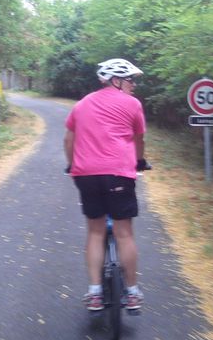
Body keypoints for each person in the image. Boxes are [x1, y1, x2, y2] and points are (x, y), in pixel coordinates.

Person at [64, 58, 150, 312]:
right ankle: (132, 293)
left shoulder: (81, 105)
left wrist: (72, 166)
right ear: (116, 80)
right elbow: (138, 139)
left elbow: (69, 140)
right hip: (119, 174)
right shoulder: (132, 104)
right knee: (124, 233)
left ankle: (95, 293)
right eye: (130, 80)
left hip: (86, 175)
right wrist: (140, 162)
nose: (134, 85)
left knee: (95, 231)